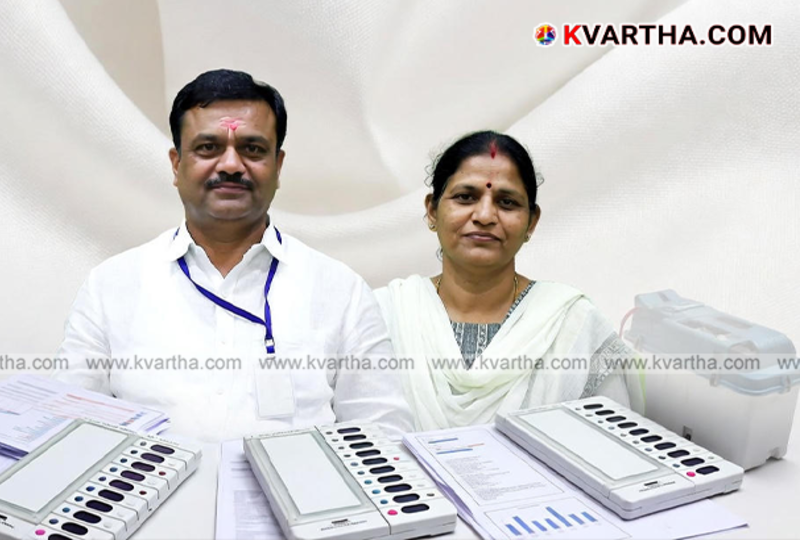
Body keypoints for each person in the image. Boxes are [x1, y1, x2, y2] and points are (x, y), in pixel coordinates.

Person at [55, 69, 412, 441]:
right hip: (150, 497)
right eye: (208, 148)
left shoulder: (341, 290)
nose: (230, 165)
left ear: (278, 165)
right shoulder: (110, 286)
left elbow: (382, 434)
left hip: (298, 499)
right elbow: (69, 424)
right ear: (177, 165)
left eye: (252, 149)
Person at [375, 131, 640, 431]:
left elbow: (611, 450)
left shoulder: (572, 325)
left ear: (532, 222)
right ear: (432, 210)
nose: (485, 215)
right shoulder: (382, 316)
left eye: (507, 202)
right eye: (465, 197)